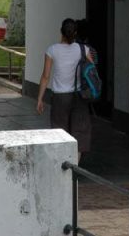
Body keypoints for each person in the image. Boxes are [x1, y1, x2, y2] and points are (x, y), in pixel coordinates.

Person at [36, 18, 93, 158]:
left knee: (60, 133)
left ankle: (63, 167)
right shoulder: (83, 49)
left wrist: (40, 99)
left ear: (61, 32)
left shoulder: (52, 50)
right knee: (78, 134)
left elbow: (45, 76)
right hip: (79, 96)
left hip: (60, 98)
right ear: (75, 33)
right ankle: (75, 168)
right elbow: (92, 70)